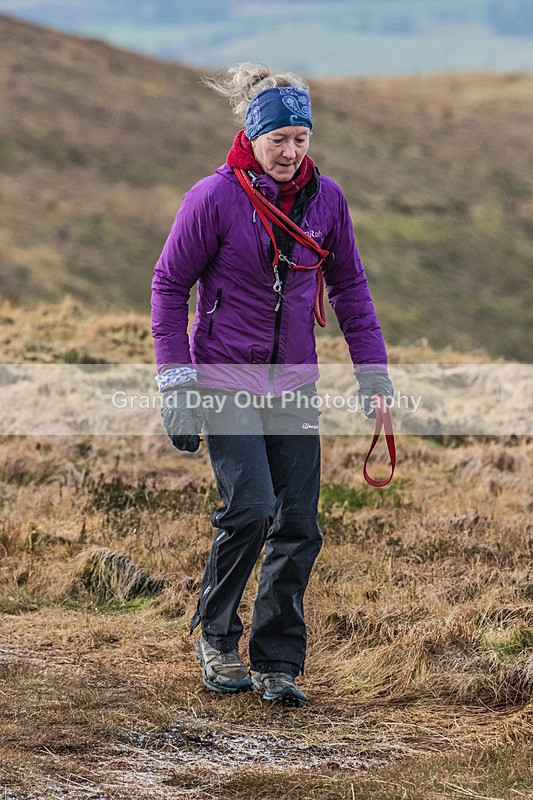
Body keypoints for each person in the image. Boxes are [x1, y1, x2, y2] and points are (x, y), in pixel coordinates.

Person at [151, 63, 393, 707]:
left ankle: (278, 660)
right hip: (224, 376)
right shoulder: (213, 197)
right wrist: (176, 383)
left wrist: (372, 370)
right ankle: (216, 637)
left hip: (293, 385)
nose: (290, 152)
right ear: (252, 136)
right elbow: (169, 287)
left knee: (299, 524)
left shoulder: (327, 200)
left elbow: (350, 287)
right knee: (251, 510)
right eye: (278, 139)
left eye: (301, 139)